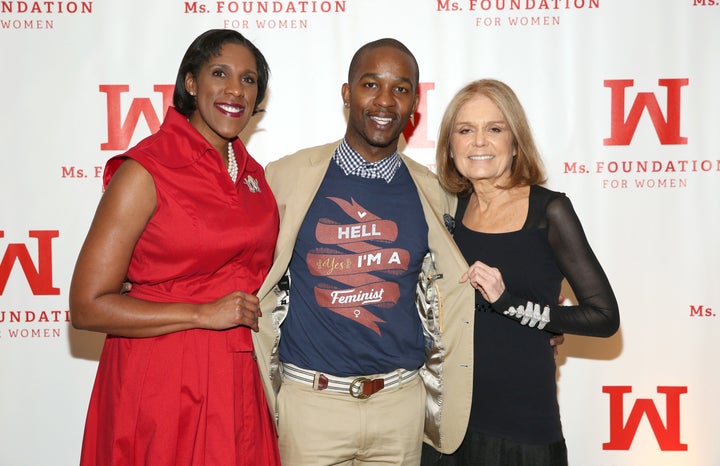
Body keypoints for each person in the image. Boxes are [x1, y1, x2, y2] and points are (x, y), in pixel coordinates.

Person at [252, 38, 476, 465]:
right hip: (312, 407)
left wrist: (537, 319)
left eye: (401, 89)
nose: (385, 101)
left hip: (399, 407)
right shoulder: (286, 178)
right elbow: (238, 255)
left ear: (414, 105)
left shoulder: (433, 192)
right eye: (371, 84)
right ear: (346, 93)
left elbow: (462, 281)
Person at [69, 29, 280, 466]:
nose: (234, 90)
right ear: (190, 83)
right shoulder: (146, 170)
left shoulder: (254, 176)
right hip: (162, 378)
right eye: (219, 73)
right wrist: (202, 313)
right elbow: (87, 305)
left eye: (248, 79)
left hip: (239, 375)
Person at [422, 79, 620, 466]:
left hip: (523, 430)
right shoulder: (447, 212)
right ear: (450, 145)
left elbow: (604, 316)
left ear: (515, 142)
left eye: (494, 129)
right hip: (445, 428)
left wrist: (513, 304)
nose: (479, 142)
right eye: (465, 130)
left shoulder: (550, 212)